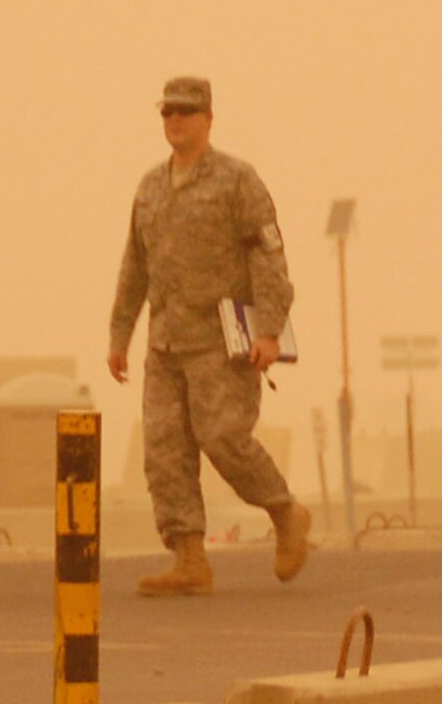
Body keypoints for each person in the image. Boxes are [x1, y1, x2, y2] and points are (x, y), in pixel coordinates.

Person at [107, 75, 312, 595]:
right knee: (164, 450)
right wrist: (119, 334)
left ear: (208, 119)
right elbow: (135, 265)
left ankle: (285, 513)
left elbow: (268, 256)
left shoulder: (236, 180)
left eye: (186, 111)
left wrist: (268, 331)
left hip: (222, 342)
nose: (175, 120)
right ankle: (189, 558)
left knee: (222, 437)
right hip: (165, 342)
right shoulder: (150, 187)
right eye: (167, 112)